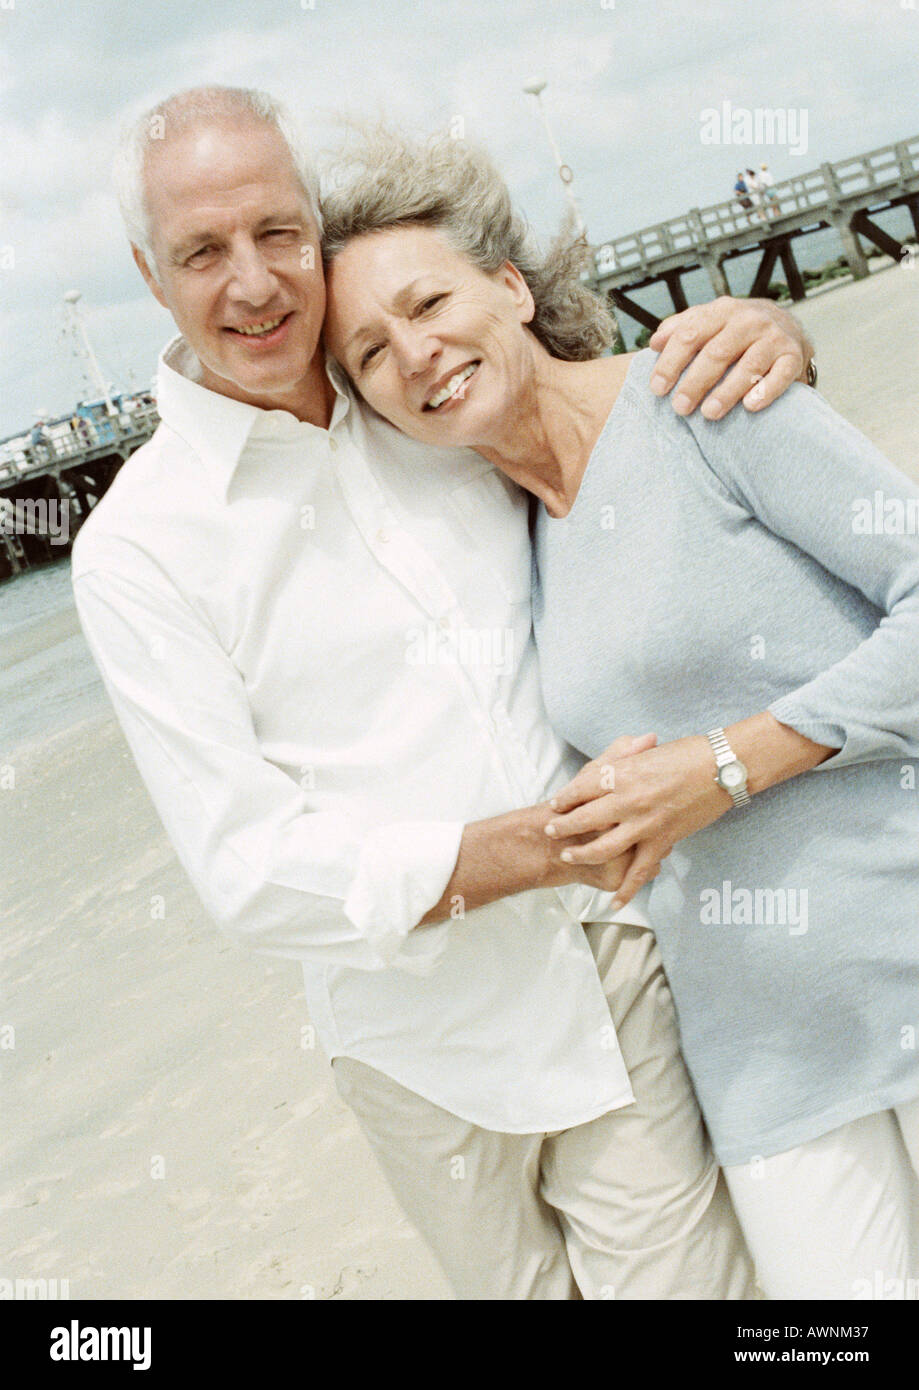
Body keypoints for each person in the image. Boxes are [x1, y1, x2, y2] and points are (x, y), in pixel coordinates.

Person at [73, 86, 813, 1301]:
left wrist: (764, 338)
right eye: (203, 252)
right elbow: (248, 870)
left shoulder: (419, 385)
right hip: (417, 1048)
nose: (254, 283)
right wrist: (525, 848)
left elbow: (627, 430)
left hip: (611, 968)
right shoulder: (137, 551)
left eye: (276, 233)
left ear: (316, 230)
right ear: (151, 277)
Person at [320, 129, 919, 1300]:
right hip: (760, 1068)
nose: (416, 352)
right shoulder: (506, 546)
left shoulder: (703, 396)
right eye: (370, 352)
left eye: (427, 299)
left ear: (510, 283)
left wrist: (728, 766)